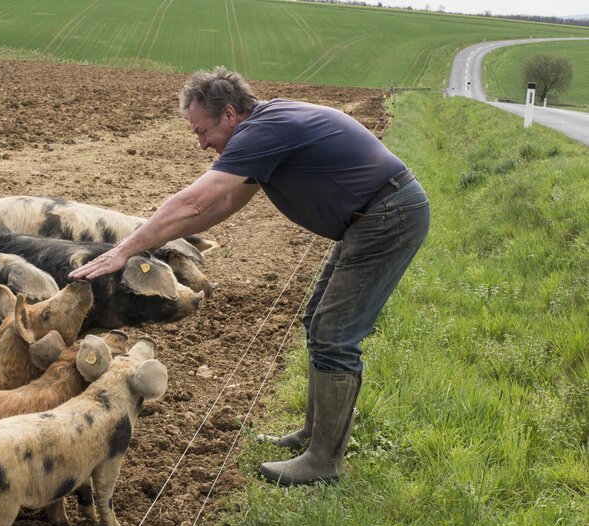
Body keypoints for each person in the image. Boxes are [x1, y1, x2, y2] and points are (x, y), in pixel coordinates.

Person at [69, 66, 430, 486]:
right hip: (371, 215)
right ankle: (314, 437)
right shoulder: (264, 127)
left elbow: (194, 201)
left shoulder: (260, 132)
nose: (202, 143)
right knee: (318, 321)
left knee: (335, 334)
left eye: (202, 131)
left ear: (229, 114)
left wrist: (123, 250)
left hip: (387, 216)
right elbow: (219, 208)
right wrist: (151, 243)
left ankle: (323, 463)